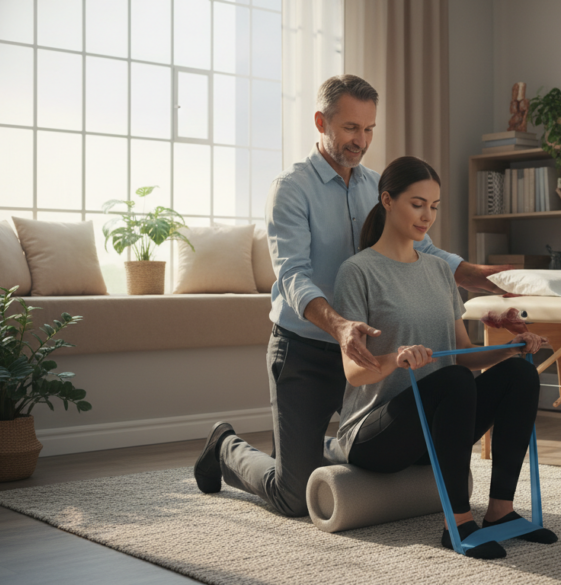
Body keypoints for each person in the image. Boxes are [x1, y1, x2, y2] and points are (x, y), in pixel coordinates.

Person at [193, 75, 509, 518]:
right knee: (294, 496)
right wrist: (340, 326)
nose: (360, 140)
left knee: (368, 451)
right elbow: (292, 275)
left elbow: (425, 249)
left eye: (369, 129)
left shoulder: (376, 186)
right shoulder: (291, 189)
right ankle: (225, 446)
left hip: (367, 350)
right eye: (350, 128)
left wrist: (484, 277)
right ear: (321, 122)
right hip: (305, 348)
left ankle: (306, 446)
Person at [332, 155, 557, 559]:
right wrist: (396, 359)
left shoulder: (438, 271)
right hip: (376, 434)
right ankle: (456, 521)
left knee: (519, 375)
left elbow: (463, 355)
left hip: (436, 427)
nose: (427, 216)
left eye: (434, 207)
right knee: (453, 382)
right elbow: (353, 373)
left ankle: (501, 512)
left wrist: (511, 348)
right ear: (387, 200)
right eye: (417, 204)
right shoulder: (357, 271)